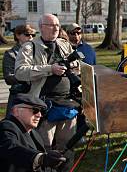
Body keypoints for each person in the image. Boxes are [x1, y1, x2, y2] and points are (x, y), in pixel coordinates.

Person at [15, 14, 80, 150]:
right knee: (44, 147)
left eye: (57, 25)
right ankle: (45, 171)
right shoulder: (29, 47)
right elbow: (20, 72)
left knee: (68, 146)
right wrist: (50, 69)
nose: (55, 28)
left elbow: (78, 65)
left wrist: (75, 66)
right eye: (51, 25)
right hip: (43, 107)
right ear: (41, 28)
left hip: (68, 104)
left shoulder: (64, 44)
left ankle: (64, 171)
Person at [3, 24, 36, 114]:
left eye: (33, 35)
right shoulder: (10, 54)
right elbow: (8, 78)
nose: (30, 37)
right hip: (19, 95)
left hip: (35, 94)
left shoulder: (37, 52)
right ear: (17, 35)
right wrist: (29, 74)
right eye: (27, 34)